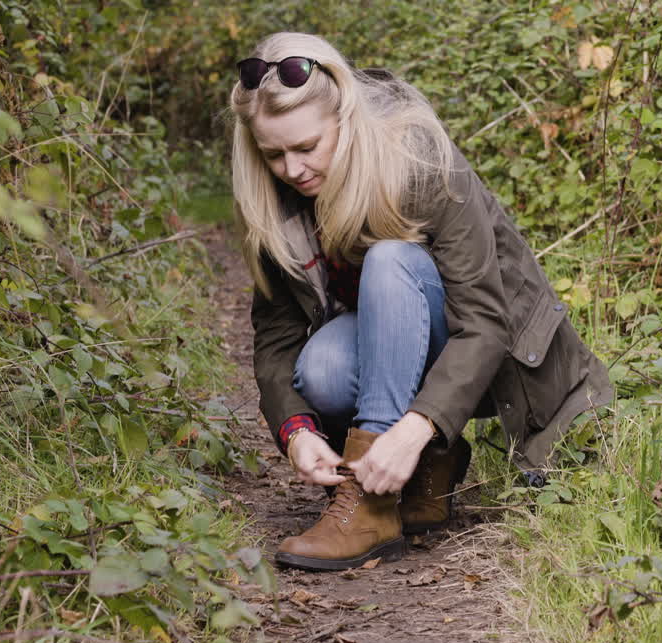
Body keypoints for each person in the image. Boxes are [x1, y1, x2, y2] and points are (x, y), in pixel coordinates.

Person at [228, 32, 614, 571]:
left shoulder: (416, 157)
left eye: (307, 147)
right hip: (392, 351)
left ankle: (373, 503)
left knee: (390, 261)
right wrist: (295, 432)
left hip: (482, 357)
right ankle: (434, 463)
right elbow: (275, 336)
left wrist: (413, 428)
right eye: (274, 154)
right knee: (321, 369)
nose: (293, 169)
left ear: (346, 117)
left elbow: (485, 321)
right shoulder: (275, 199)